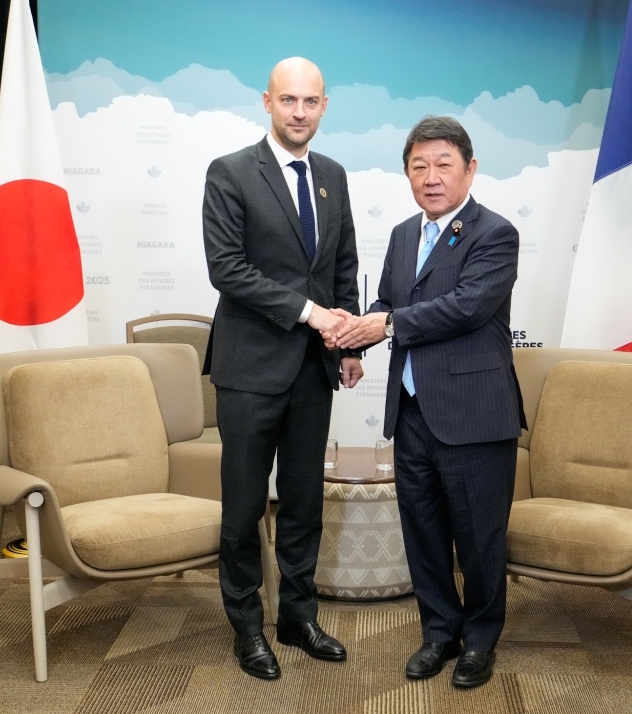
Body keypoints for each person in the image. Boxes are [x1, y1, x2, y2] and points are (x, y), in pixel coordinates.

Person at [329, 116, 524, 689]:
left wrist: (383, 324)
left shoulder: (495, 233)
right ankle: (440, 632)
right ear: (407, 173)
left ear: (470, 168)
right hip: (411, 410)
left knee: (480, 539)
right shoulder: (401, 234)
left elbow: (466, 307)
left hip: (474, 413)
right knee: (424, 532)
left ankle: (481, 640)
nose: (431, 177)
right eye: (420, 166)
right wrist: (356, 337)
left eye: (444, 164)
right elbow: (389, 301)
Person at [202, 57, 362, 680]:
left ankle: (297, 617)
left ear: (325, 105)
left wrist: (348, 342)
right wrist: (310, 314)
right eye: (288, 101)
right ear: (266, 102)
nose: (300, 113)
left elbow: (342, 262)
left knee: (302, 504)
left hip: (312, 371)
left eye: (311, 102)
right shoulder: (231, 173)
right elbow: (228, 270)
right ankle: (247, 628)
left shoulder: (334, 176)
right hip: (248, 370)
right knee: (243, 510)